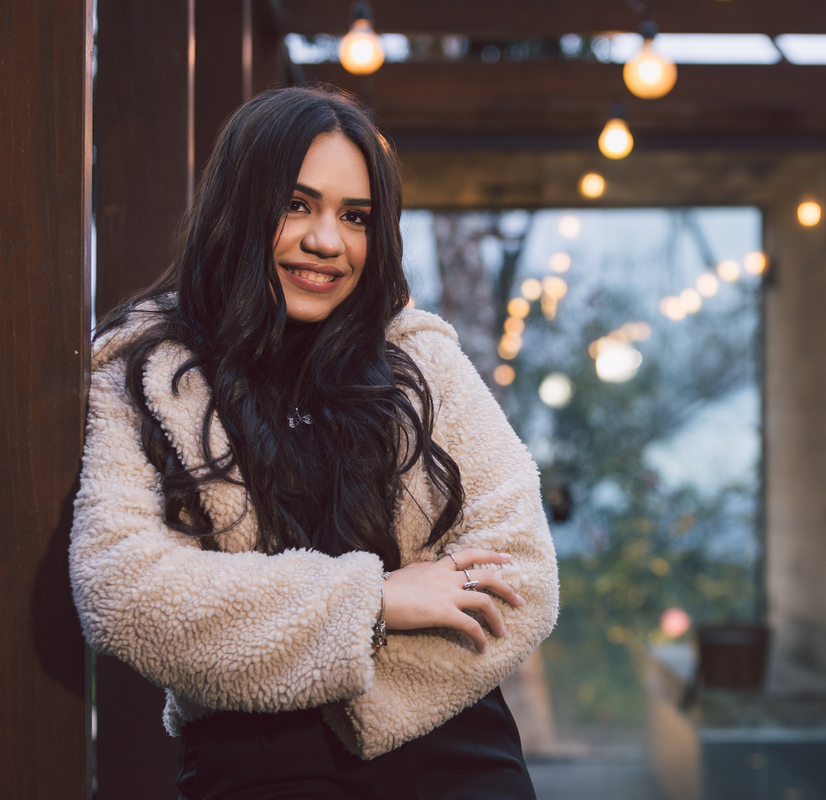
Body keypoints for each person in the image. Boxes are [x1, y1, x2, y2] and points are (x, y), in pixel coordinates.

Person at [69, 85, 558, 799]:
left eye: (354, 217)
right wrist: (375, 602)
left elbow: (524, 575)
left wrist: (336, 680)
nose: (327, 241)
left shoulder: (419, 360)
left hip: (458, 754)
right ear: (239, 207)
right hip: (259, 764)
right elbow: (123, 590)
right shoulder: (142, 369)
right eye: (296, 205)